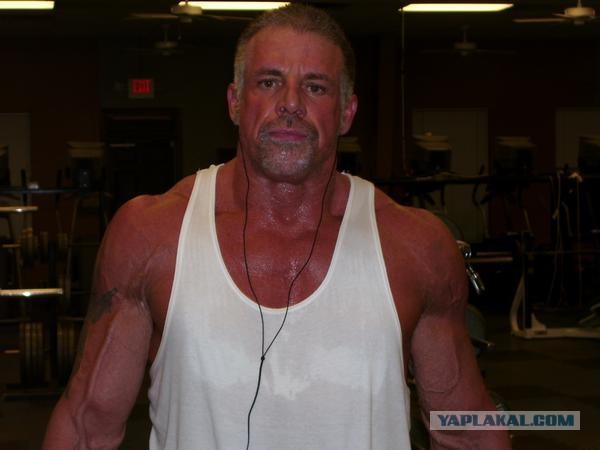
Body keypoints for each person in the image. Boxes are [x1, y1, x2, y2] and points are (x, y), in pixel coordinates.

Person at [43, 4, 511, 449]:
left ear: (347, 112)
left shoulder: (416, 246)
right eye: (268, 82)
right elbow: (86, 427)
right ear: (234, 102)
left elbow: (466, 431)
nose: (290, 103)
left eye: (315, 87)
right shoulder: (152, 235)